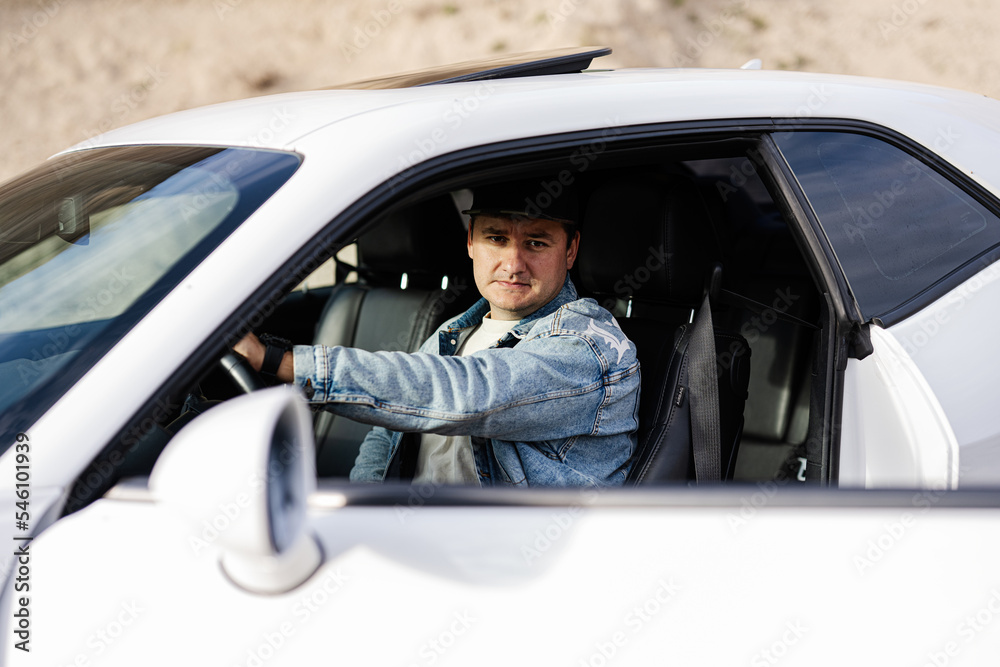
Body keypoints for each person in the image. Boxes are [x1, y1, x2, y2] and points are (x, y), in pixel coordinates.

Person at [234, 178, 640, 487]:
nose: (513, 263)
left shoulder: (590, 347)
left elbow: (470, 394)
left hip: (512, 563)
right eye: (496, 239)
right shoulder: (457, 330)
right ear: (470, 243)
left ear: (570, 251)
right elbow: (388, 432)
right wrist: (364, 507)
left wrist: (280, 361)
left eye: (536, 243)